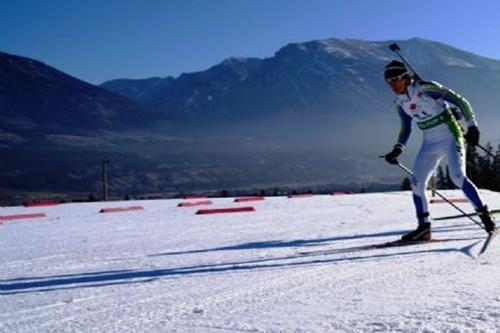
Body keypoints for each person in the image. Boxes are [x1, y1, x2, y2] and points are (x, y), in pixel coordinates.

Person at [383, 60, 496, 241]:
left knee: (458, 177)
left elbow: (461, 101)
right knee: (417, 183)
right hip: (430, 142)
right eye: (388, 82)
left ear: (405, 78)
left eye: (395, 80)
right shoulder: (400, 103)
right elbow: (406, 128)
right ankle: (424, 228)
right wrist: (397, 149)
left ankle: (485, 216)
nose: (392, 85)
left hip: (451, 135)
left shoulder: (427, 89)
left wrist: (472, 126)